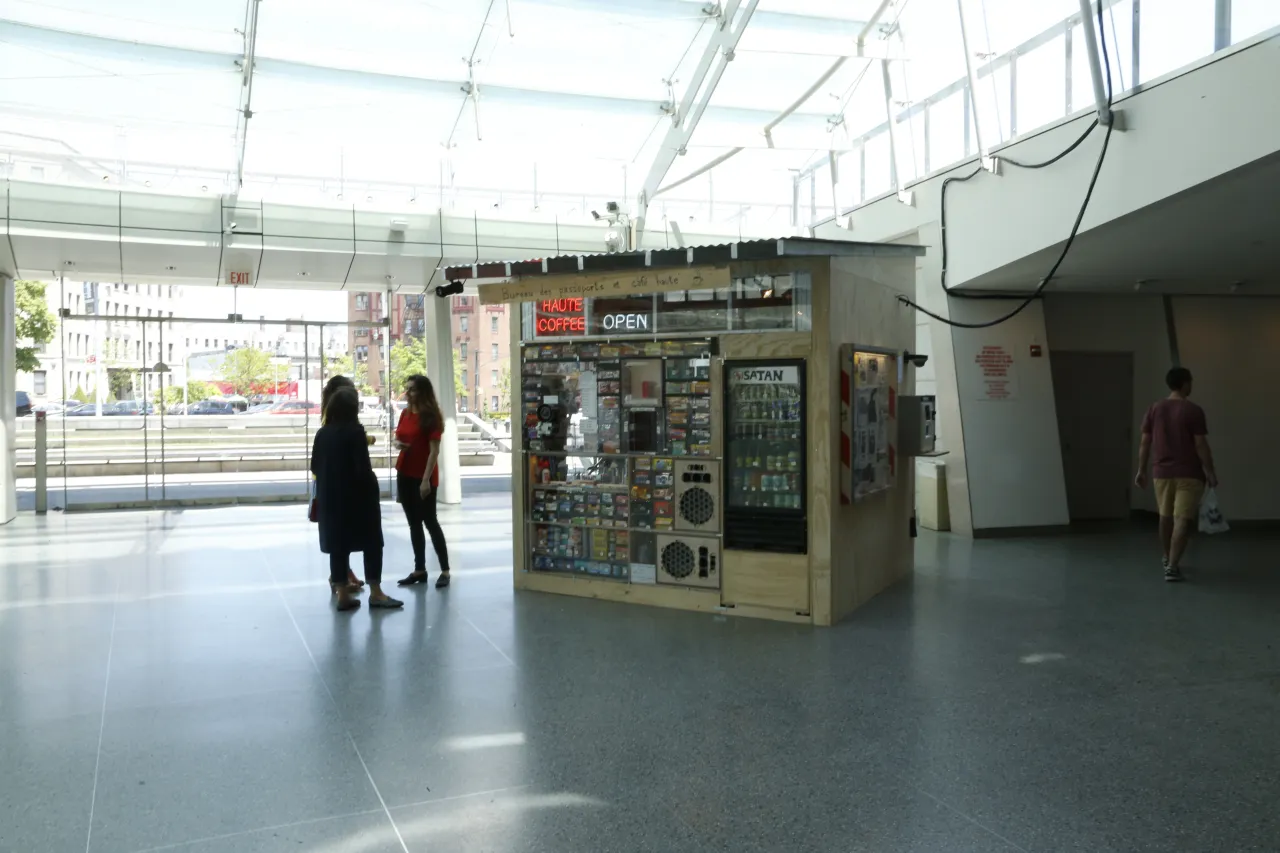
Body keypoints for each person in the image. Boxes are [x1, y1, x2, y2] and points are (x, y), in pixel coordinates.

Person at [311, 387, 402, 610]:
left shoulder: (322, 434)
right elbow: (362, 469)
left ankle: (342, 594)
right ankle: (376, 592)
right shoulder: (355, 432)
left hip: (330, 499)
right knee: (372, 543)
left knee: (338, 546)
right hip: (357, 499)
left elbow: (314, 466)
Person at [1134, 366, 1218, 582]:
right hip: (1189, 474)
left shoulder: (1154, 409)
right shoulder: (1193, 410)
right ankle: (1172, 566)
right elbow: (1200, 445)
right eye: (1190, 382)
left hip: (1161, 473)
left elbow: (1145, 443)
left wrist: (1141, 470)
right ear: (1185, 383)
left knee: (1165, 516)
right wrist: (1210, 471)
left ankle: (1166, 557)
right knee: (1182, 519)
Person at [395, 374, 452, 588]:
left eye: (413, 389)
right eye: (407, 388)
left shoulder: (431, 417)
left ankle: (445, 570)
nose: (408, 393)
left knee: (430, 521)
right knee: (414, 523)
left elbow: (434, 451)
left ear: (423, 392)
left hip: (423, 476)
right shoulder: (405, 413)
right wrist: (397, 444)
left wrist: (426, 480)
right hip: (405, 472)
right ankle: (420, 569)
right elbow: (398, 438)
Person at [319, 375, 367, 593]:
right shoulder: (347, 426)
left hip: (328, 482)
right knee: (341, 533)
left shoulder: (327, 420)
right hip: (341, 484)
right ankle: (340, 578)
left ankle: (342, 575)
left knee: (337, 533)